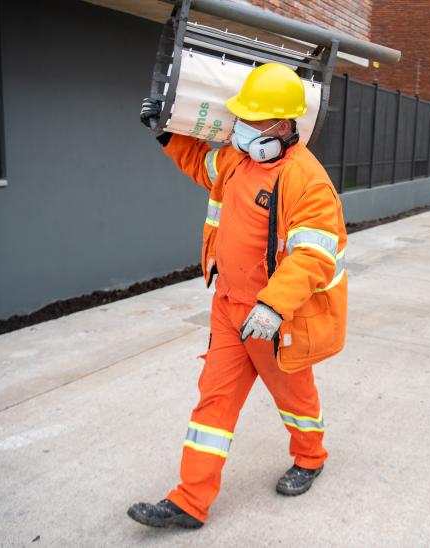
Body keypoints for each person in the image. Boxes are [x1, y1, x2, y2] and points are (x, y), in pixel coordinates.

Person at [128, 63, 348, 530]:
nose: (241, 129)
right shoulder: (236, 159)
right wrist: (166, 134)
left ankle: (310, 457)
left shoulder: (307, 181)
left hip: (273, 319)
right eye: (241, 118)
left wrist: (271, 307)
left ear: (284, 125)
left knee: (294, 397)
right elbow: (200, 165)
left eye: (252, 120)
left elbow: (313, 256)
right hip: (229, 309)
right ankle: (189, 501)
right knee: (213, 403)